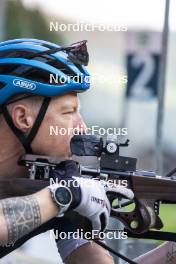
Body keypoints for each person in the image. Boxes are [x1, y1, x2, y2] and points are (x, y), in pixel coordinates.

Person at [0, 38, 133, 264]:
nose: (82, 128)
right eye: (68, 112)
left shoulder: (53, 184)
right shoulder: (60, 194)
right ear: (22, 118)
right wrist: (65, 196)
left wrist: (170, 253)